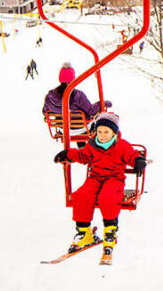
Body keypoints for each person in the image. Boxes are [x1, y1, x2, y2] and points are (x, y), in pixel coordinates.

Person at [54, 111, 144, 258]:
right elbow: (83, 156)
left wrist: (138, 161)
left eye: (106, 132)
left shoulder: (122, 145)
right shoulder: (92, 145)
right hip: (95, 177)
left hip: (114, 179)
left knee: (107, 197)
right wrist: (68, 154)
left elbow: (132, 155)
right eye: (99, 131)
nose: (102, 135)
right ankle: (85, 234)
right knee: (81, 195)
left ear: (114, 132)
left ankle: (110, 232)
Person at [43, 63, 102, 141]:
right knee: (96, 116)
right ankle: (85, 146)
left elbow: (45, 112)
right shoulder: (78, 96)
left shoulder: (50, 96)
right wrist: (100, 104)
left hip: (63, 129)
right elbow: (90, 111)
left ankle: (80, 146)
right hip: (81, 129)